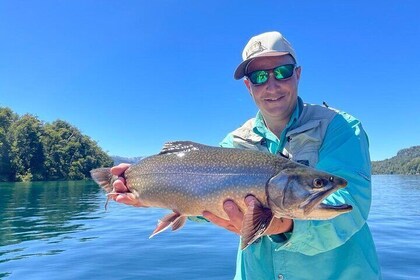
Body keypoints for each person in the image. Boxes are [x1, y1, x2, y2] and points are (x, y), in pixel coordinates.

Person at [110, 31, 381, 279]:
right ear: (248, 86)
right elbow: (201, 203)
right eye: (260, 77)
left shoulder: (339, 127)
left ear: (298, 74)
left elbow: (351, 205)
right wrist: (149, 193)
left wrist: (282, 225)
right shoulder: (234, 143)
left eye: (282, 72)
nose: (271, 85)